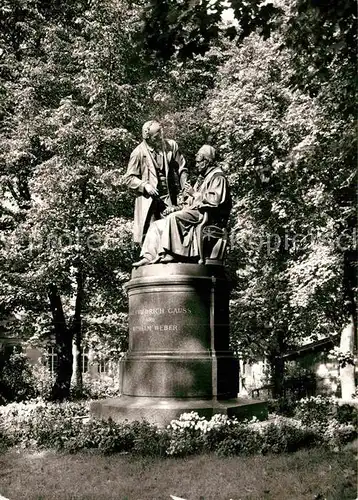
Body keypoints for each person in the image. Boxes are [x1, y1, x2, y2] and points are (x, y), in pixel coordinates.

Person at [133, 145, 231, 267]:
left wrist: (194, 194)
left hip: (207, 215)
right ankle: (148, 256)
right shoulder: (203, 179)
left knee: (174, 218)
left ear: (207, 162)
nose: (196, 165)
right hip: (193, 213)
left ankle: (172, 253)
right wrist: (175, 208)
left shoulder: (218, 177)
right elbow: (189, 202)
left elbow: (215, 200)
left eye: (199, 162)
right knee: (156, 225)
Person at [124, 120, 187, 245]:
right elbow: (128, 178)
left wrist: (185, 190)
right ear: (147, 137)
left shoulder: (171, 146)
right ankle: (150, 260)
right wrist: (144, 185)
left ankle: (169, 259)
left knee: (171, 230)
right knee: (150, 235)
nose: (160, 140)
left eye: (161, 135)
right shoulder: (138, 153)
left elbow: (182, 168)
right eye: (156, 137)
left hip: (168, 197)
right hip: (149, 200)